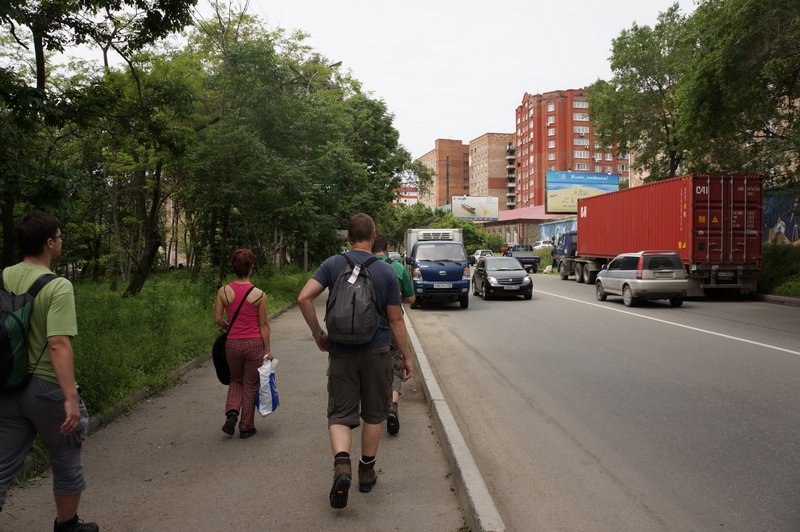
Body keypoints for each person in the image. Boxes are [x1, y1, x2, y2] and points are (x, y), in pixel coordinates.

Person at [297, 214, 414, 510]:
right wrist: (406, 356)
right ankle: (366, 472)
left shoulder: (332, 264)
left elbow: (303, 298)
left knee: (339, 413)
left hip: (340, 352)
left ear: (348, 237)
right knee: (374, 413)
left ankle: (342, 465)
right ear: (373, 236)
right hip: (377, 352)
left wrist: (318, 334)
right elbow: (396, 319)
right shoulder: (386, 271)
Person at [0, 211, 98, 532]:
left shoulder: (3, 277)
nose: (61, 241)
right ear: (49, 243)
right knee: (66, 459)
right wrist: (70, 398)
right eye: (59, 236)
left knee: (2, 466)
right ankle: (67, 526)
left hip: (7, 385)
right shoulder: (58, 286)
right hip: (46, 389)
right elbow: (57, 344)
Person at [213, 249, 273, 439]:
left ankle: (232, 413)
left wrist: (228, 326)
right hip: (254, 344)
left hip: (232, 344)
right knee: (250, 384)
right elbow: (263, 324)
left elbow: (217, 319)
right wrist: (268, 350)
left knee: (236, 380)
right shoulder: (259, 295)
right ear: (251, 268)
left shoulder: (223, 291)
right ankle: (246, 427)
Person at [371, 234, 415, 435]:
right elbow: (411, 299)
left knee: (372, 366)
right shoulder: (396, 267)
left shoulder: (363, 266)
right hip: (392, 325)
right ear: (387, 249)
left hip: (368, 326)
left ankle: (374, 406)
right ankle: (392, 405)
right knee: (396, 365)